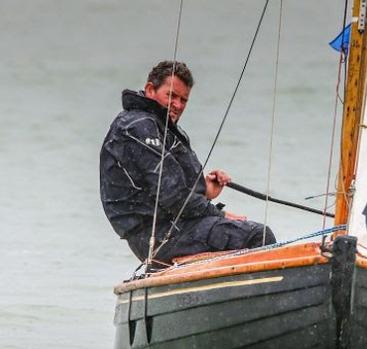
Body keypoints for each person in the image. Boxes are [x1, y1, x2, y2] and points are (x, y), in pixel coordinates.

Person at [100, 60, 275, 266]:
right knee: (258, 236)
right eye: (171, 95)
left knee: (248, 233)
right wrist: (221, 214)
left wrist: (206, 189)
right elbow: (172, 196)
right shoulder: (138, 127)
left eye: (184, 99)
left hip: (176, 227)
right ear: (150, 90)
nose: (178, 105)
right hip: (155, 235)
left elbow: (170, 190)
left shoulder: (162, 127)